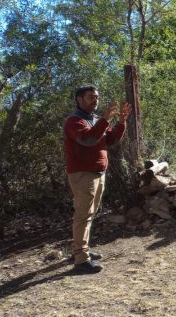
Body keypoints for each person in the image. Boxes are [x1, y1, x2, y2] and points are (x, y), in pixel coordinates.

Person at [63, 85, 131, 274]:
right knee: (83, 215)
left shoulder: (94, 120)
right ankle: (81, 260)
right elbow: (88, 140)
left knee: (88, 214)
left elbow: (109, 140)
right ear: (79, 99)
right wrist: (105, 119)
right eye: (91, 97)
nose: (95, 100)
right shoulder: (74, 121)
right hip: (83, 175)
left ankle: (82, 250)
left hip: (97, 174)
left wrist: (121, 122)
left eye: (97, 97)